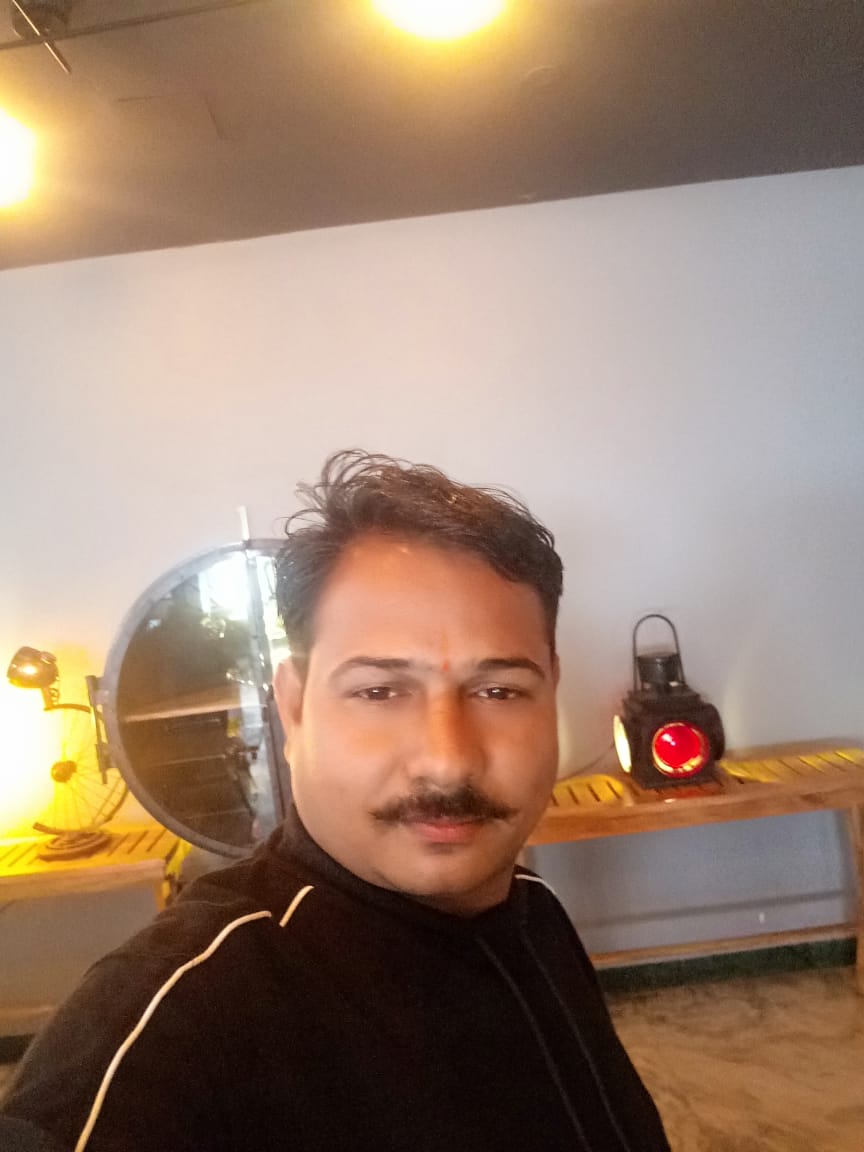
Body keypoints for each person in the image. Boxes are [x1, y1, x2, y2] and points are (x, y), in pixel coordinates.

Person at [1, 450, 670, 1152]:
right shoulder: (178, 1016)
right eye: (379, 691)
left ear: (550, 693)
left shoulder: (534, 913)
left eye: (499, 691)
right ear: (293, 710)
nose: (447, 758)